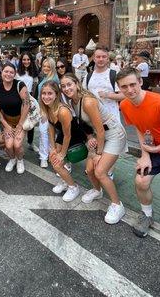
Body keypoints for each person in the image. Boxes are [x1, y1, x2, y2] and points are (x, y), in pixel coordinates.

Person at [117, 67, 160, 237]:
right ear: (119, 87)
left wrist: (156, 149)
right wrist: (145, 154)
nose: (129, 90)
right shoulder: (124, 104)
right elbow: (140, 128)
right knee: (141, 181)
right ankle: (147, 216)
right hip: (156, 150)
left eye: (132, 84)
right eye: (124, 87)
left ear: (140, 82)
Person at [60, 73, 128, 224]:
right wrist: (90, 137)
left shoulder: (88, 101)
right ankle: (97, 191)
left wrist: (98, 153)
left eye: (69, 84)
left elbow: (101, 130)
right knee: (89, 169)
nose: (66, 88)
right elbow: (86, 125)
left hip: (113, 133)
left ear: (77, 84)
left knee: (100, 171)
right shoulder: (73, 101)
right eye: (63, 86)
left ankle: (118, 205)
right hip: (98, 135)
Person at [40, 81, 90, 202]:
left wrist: (62, 154)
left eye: (50, 93)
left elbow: (68, 135)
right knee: (53, 158)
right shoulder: (47, 107)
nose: (46, 96)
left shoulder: (62, 111)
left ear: (56, 94)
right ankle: (65, 181)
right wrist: (52, 147)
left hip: (74, 137)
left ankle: (73, 187)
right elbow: (51, 127)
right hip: (62, 135)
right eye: (44, 93)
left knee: (57, 162)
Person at [0, 63, 30, 174]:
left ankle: (20, 160)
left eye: (11, 72)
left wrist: (20, 124)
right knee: (8, 145)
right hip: (7, 120)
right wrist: (6, 125)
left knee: (17, 145)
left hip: (21, 119)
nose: (8, 74)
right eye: (6, 71)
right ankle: (12, 159)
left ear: (15, 74)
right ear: (2, 72)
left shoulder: (20, 85)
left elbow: (26, 104)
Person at [83, 46, 124, 122]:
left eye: (104, 57)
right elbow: (83, 97)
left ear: (108, 59)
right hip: (93, 120)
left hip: (112, 120)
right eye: (98, 57)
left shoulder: (114, 75)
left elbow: (124, 95)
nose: (101, 59)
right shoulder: (88, 76)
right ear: (94, 59)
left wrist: (107, 95)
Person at [37, 57, 59, 168]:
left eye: (48, 66)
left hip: (51, 110)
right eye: (44, 66)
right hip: (43, 109)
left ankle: (47, 156)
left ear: (52, 67)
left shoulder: (54, 79)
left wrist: (49, 111)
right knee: (44, 133)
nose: (45, 68)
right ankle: (45, 156)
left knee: (47, 134)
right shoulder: (45, 77)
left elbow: (56, 97)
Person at [16, 52, 39, 153]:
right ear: (21, 61)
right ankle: (17, 142)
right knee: (18, 121)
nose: (26, 61)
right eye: (24, 59)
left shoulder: (34, 72)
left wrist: (33, 99)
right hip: (18, 99)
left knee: (30, 122)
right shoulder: (17, 72)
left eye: (28, 59)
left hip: (30, 99)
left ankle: (30, 143)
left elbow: (35, 86)